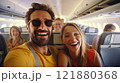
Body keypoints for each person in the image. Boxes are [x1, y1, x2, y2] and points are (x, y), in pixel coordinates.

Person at [3, 3, 58, 67]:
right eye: (36, 22)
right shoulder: (17, 55)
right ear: (28, 28)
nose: (42, 27)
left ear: (52, 27)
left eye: (48, 22)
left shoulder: (56, 52)